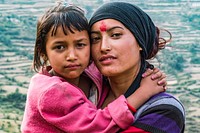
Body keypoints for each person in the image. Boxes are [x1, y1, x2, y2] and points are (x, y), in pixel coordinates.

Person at [21, 2, 167, 133]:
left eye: (80, 45)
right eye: (59, 47)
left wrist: (151, 75)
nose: (72, 56)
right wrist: (143, 93)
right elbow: (97, 127)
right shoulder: (51, 92)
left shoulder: (165, 110)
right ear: (43, 52)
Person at [89, 2, 185, 133]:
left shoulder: (164, 110)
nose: (103, 47)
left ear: (140, 41)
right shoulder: (85, 93)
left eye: (116, 35)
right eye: (95, 39)